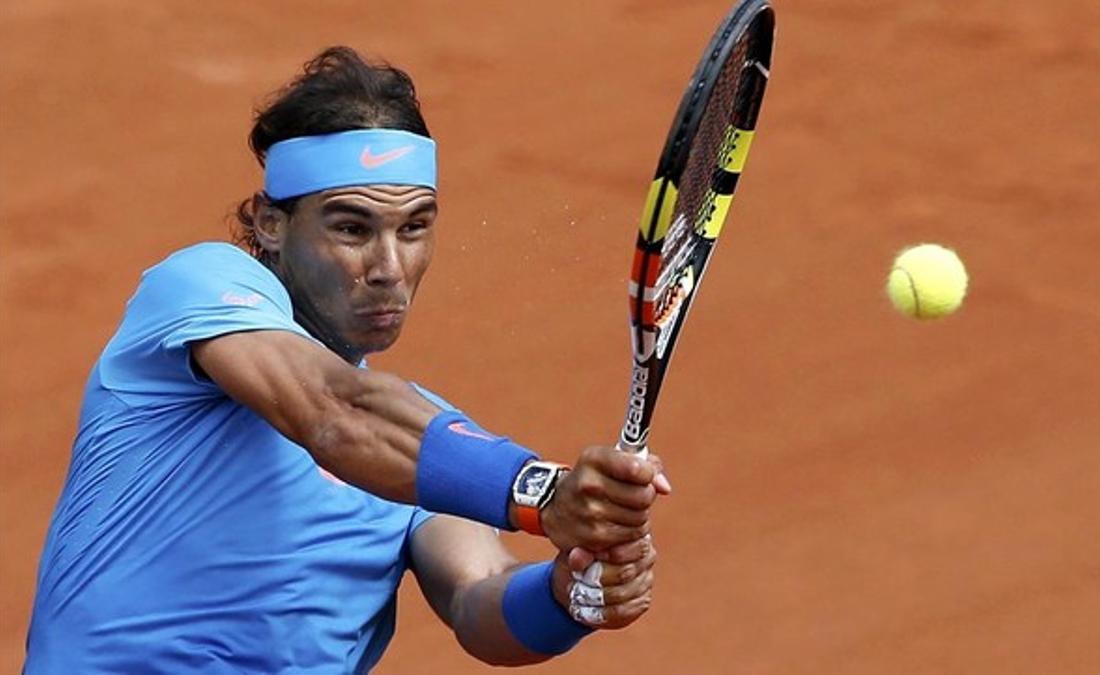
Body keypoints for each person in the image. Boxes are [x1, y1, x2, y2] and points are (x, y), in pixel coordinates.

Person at [24, 46, 669, 673]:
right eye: (352, 229)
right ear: (270, 223)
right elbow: (333, 412)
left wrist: (569, 592)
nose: (390, 269)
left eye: (414, 227)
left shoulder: (428, 450)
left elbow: (480, 601)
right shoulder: (197, 289)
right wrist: (544, 492)